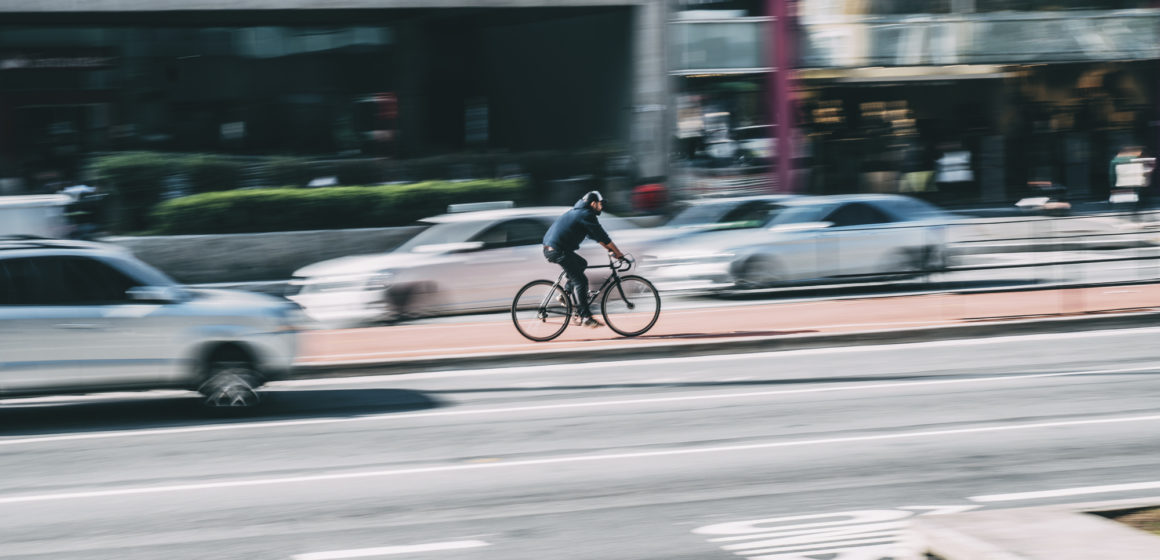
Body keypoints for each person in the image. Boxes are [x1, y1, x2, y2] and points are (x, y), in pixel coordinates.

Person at [543, 191, 628, 328]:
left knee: (582, 264)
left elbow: (596, 236)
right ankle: (586, 317)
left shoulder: (579, 212)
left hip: (555, 248)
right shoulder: (586, 214)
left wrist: (610, 250)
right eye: (600, 204)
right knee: (581, 280)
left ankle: (565, 293)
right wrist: (618, 253)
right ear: (593, 203)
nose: (601, 207)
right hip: (557, 250)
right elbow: (603, 236)